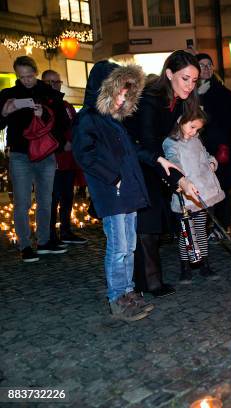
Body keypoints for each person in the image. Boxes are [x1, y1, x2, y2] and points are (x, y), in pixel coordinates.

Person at [72, 61, 154, 321]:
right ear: (104, 90)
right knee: (118, 247)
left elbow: (132, 151)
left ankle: (128, 291)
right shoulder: (88, 119)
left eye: (126, 94)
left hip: (127, 194)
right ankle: (117, 296)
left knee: (129, 246)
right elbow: (85, 155)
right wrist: (114, 178)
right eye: (119, 92)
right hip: (112, 194)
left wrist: (157, 159)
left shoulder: (115, 121)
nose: (122, 98)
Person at [123, 50, 200, 298]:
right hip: (134, 164)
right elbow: (146, 141)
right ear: (169, 74)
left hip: (153, 163)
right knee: (146, 224)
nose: (190, 85)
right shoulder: (150, 98)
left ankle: (147, 281)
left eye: (194, 80)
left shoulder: (177, 100)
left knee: (153, 223)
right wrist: (176, 177)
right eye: (185, 78)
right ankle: (149, 283)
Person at [0, 56, 70, 262]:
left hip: (45, 155)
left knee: (45, 201)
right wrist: (5, 112)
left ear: (36, 73)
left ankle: (44, 241)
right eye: (22, 77)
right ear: (17, 75)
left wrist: (44, 115)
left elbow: (62, 124)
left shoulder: (49, 93)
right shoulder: (9, 95)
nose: (26, 80)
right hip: (20, 154)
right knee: (22, 202)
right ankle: (25, 245)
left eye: (30, 76)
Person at [163, 109, 225, 283]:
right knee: (187, 233)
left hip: (202, 193)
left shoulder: (196, 140)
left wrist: (212, 162)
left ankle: (204, 263)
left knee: (200, 230)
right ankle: (185, 265)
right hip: (185, 196)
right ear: (181, 121)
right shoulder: (171, 143)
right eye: (191, 127)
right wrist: (180, 180)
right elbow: (172, 162)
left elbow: (205, 155)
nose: (194, 132)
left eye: (197, 129)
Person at [196, 53, 231, 238]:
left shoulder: (223, 93)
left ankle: (221, 227)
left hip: (219, 148)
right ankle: (203, 226)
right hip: (197, 149)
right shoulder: (189, 93)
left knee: (221, 188)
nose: (206, 68)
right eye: (202, 65)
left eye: (209, 65)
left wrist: (229, 145)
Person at [41, 70, 88, 246]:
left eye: (56, 81)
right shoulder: (41, 105)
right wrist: (62, 144)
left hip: (68, 160)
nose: (53, 85)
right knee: (52, 199)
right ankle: (51, 235)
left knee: (67, 197)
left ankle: (66, 231)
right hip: (52, 160)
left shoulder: (66, 105)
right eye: (48, 82)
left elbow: (75, 127)